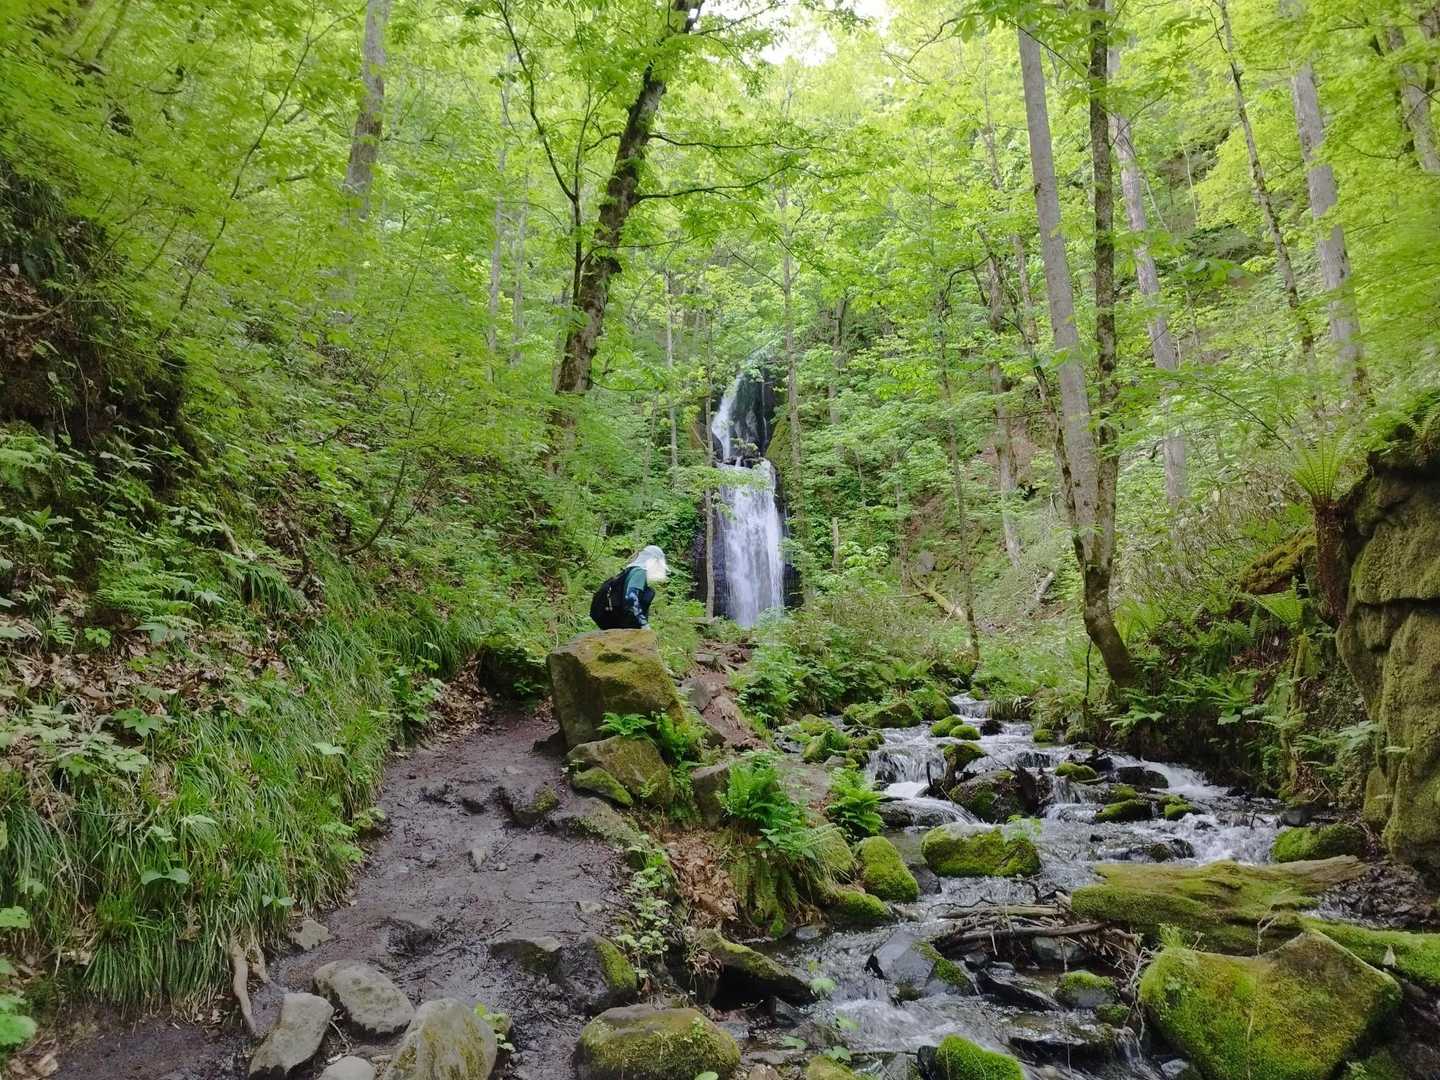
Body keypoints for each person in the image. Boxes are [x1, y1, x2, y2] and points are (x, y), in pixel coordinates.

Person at [590, 545, 669, 630]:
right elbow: (631, 596)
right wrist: (643, 623)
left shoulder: (632, 570)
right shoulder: (640, 572)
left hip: (622, 620)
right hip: (628, 623)